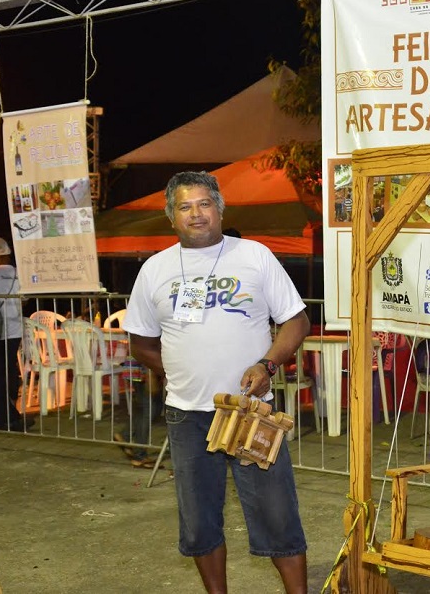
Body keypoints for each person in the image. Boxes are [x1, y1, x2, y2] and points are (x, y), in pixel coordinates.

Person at [123, 171, 310, 593]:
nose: (196, 214)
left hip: (251, 411)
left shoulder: (255, 255)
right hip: (187, 417)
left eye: (204, 204)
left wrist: (269, 363)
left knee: (277, 513)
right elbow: (140, 342)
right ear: (171, 216)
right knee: (199, 520)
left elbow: (296, 320)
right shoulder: (155, 270)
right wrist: (175, 371)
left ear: (220, 209)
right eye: (185, 206)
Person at [0, 237, 29, 432]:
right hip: (15, 330)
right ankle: (10, 412)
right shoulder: (20, 274)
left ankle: (6, 417)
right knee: (9, 370)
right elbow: (25, 299)